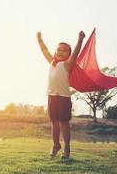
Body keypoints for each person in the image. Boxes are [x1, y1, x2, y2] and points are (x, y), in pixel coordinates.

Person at [36, 30, 85, 159]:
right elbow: (45, 51)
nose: (60, 52)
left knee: (63, 123)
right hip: (51, 96)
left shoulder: (67, 64)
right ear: (55, 52)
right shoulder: (52, 62)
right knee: (54, 122)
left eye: (64, 50)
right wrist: (40, 40)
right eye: (58, 50)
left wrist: (79, 41)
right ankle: (56, 144)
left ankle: (67, 147)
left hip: (63, 98)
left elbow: (75, 53)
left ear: (68, 54)